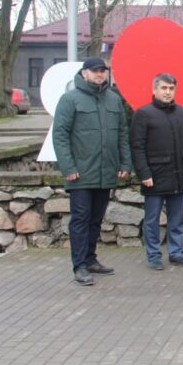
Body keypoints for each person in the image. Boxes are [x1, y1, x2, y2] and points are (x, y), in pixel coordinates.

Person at [52, 57, 131, 286]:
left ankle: (90, 259)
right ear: (84, 73)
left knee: (96, 219)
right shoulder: (70, 100)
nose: (99, 74)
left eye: (102, 70)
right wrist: (68, 167)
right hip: (80, 174)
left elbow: (122, 133)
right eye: (95, 70)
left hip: (106, 172)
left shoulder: (113, 100)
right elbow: (60, 135)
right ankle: (80, 266)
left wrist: (125, 163)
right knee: (80, 219)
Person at [130, 73, 183, 270]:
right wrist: (144, 173)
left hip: (178, 174)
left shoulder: (181, 112)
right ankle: (153, 255)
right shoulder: (143, 114)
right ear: (154, 90)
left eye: (171, 88)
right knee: (152, 220)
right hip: (154, 176)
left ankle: (176, 253)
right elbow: (137, 147)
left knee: (176, 219)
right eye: (164, 88)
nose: (168, 92)